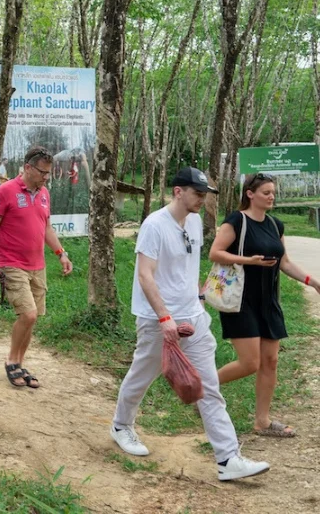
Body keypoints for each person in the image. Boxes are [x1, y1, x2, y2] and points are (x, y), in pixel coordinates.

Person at [110, 167, 270, 482]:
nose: (202, 200)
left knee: (209, 387)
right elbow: (145, 275)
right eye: (197, 194)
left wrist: (199, 296)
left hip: (193, 318)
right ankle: (121, 425)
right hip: (158, 319)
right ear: (178, 191)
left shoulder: (195, 222)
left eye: (204, 194)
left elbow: (186, 266)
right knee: (143, 374)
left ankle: (228, 459)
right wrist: (165, 317)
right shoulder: (154, 225)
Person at [208, 172, 320, 438]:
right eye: (266, 192)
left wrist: (312, 281)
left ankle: (263, 421)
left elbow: (284, 262)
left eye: (273, 192)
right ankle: (202, 388)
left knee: (270, 362)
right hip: (241, 301)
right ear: (250, 194)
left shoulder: (275, 224)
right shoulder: (237, 220)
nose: (271, 197)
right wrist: (249, 261)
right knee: (249, 363)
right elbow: (215, 252)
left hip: (268, 302)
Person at [0, 146, 73, 388]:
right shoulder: (5, 191)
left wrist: (61, 254)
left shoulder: (44, 194)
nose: (46, 177)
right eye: (42, 172)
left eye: (48, 173)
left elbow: (47, 229)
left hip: (37, 265)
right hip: (12, 263)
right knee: (28, 314)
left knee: (33, 318)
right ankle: (11, 360)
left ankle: (20, 362)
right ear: (28, 168)